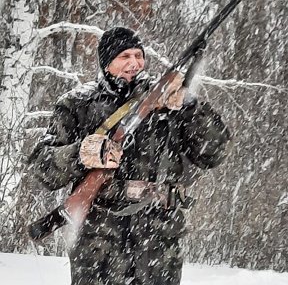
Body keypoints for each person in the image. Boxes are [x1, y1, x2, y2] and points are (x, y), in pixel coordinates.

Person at [29, 27, 231, 285]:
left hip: (159, 240)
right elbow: (42, 168)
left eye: (138, 55)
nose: (134, 63)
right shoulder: (77, 104)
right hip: (99, 241)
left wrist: (190, 106)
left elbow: (216, 152)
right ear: (106, 61)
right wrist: (81, 153)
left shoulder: (168, 97)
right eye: (124, 56)